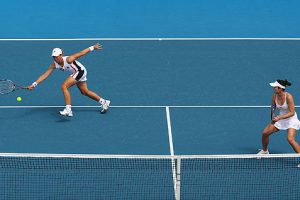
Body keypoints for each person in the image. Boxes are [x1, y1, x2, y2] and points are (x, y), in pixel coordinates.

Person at [28, 43, 110, 117]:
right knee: (85, 92)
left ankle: (68, 110)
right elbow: (45, 74)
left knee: (64, 86)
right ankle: (104, 102)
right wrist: (34, 84)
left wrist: (93, 47)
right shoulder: (54, 64)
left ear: (61, 55)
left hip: (80, 71)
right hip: (78, 72)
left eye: (56, 56)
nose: (55, 58)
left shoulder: (68, 59)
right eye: (54, 57)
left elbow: (81, 53)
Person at [258, 79, 300, 155]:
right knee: (265, 133)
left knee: (290, 139)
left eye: (275, 87)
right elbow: (273, 107)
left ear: (280, 88)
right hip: (280, 118)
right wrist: (273, 116)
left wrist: (279, 118)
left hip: (291, 119)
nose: (273, 88)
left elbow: (292, 112)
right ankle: (265, 151)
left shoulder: (289, 97)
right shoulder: (274, 96)